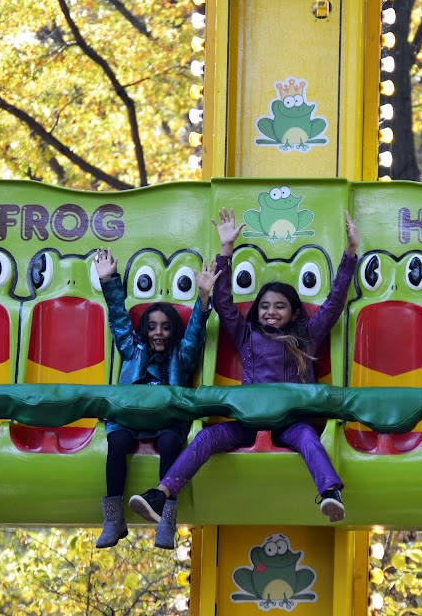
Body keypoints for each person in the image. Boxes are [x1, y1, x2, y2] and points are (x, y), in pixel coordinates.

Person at [129, 208, 360, 546]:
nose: (270, 311)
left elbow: (334, 302)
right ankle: (160, 494)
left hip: (290, 422)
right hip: (248, 422)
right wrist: (226, 251)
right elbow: (224, 303)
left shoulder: (306, 335)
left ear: (294, 312)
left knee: (309, 439)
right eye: (265, 305)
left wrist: (350, 254)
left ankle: (330, 493)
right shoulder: (247, 335)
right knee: (206, 439)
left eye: (279, 306)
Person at [93, 247, 219, 549]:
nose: (158, 332)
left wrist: (203, 297)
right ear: (144, 331)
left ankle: (166, 518)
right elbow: (119, 320)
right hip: (131, 416)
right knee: (118, 443)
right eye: (151, 327)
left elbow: (195, 333)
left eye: (164, 327)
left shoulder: (181, 354)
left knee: (170, 443)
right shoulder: (133, 349)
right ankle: (113, 518)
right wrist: (109, 280)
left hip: (166, 419)